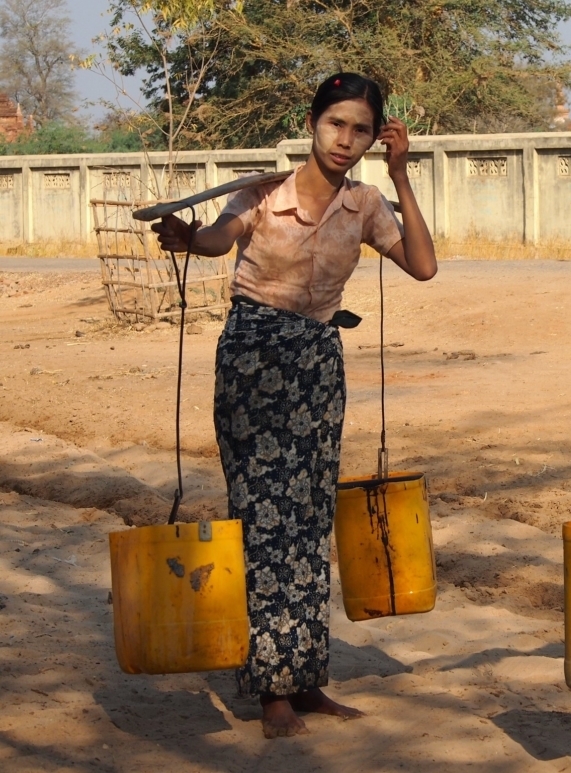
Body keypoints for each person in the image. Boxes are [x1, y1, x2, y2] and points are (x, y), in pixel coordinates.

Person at [153, 72, 437, 739]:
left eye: (361, 130)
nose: (345, 139)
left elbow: (423, 265)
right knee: (262, 517)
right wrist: (189, 238)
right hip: (253, 358)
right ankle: (271, 690)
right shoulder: (262, 191)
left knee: (308, 518)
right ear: (312, 123)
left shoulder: (366, 203)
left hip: (316, 363)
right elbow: (221, 236)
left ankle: (305, 678)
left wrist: (401, 176)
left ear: (374, 138)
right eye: (336, 123)